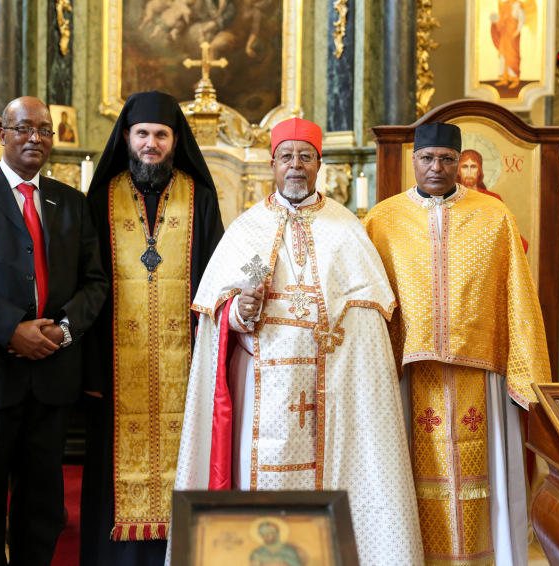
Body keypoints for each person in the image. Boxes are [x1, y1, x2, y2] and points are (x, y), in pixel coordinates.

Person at [172, 117, 424, 566]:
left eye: (305, 157)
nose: (295, 165)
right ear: (272, 164)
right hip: (259, 391)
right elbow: (217, 317)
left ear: (319, 164)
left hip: (333, 394)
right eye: (286, 156)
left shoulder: (346, 229)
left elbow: (368, 326)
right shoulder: (247, 230)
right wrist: (239, 312)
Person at [0, 96, 108, 566]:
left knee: (42, 509)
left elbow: (95, 282)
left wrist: (62, 331)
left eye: (45, 129)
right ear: (3, 135)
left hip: (52, 376)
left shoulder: (71, 202)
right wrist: (12, 329)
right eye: (24, 128)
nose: (36, 137)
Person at [364, 122, 551, 566]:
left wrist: (527, 372)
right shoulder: (382, 219)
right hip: (408, 371)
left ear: (460, 162)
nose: (437, 167)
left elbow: (518, 294)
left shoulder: (494, 216)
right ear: (413, 160)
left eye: (447, 159)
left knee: (485, 473)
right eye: (427, 158)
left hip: (479, 370)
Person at [80, 90, 224, 566]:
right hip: (115, 367)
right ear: (126, 137)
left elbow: (217, 284)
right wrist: (92, 370)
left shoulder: (200, 197)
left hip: (187, 367)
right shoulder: (100, 198)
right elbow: (86, 285)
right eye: (142, 133)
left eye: (161, 135)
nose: (151, 144)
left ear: (175, 141)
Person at [456, 148, 528, 252]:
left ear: (479, 171)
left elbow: (510, 234)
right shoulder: (452, 198)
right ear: (458, 171)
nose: (469, 171)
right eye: (464, 167)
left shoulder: (493, 198)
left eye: (473, 167)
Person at [490, 0, 526, 89]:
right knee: (503, 55)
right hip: (504, 34)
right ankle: (505, 78)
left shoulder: (518, 5)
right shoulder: (505, 5)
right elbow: (501, 21)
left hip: (513, 34)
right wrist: (495, 22)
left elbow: (522, 19)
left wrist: (518, 30)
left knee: (512, 55)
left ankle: (515, 79)